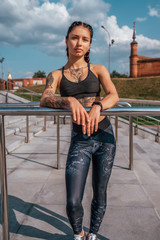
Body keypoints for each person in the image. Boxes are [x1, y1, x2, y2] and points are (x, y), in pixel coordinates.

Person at [40, 21, 119, 240]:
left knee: (100, 192)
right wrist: (68, 100)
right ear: (66, 40)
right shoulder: (56, 74)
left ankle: (93, 234)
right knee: (73, 200)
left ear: (90, 45)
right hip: (80, 140)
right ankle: (79, 234)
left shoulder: (98, 70)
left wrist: (99, 105)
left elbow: (113, 95)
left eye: (85, 39)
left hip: (105, 138)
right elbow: (45, 98)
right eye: (75, 37)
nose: (79, 43)